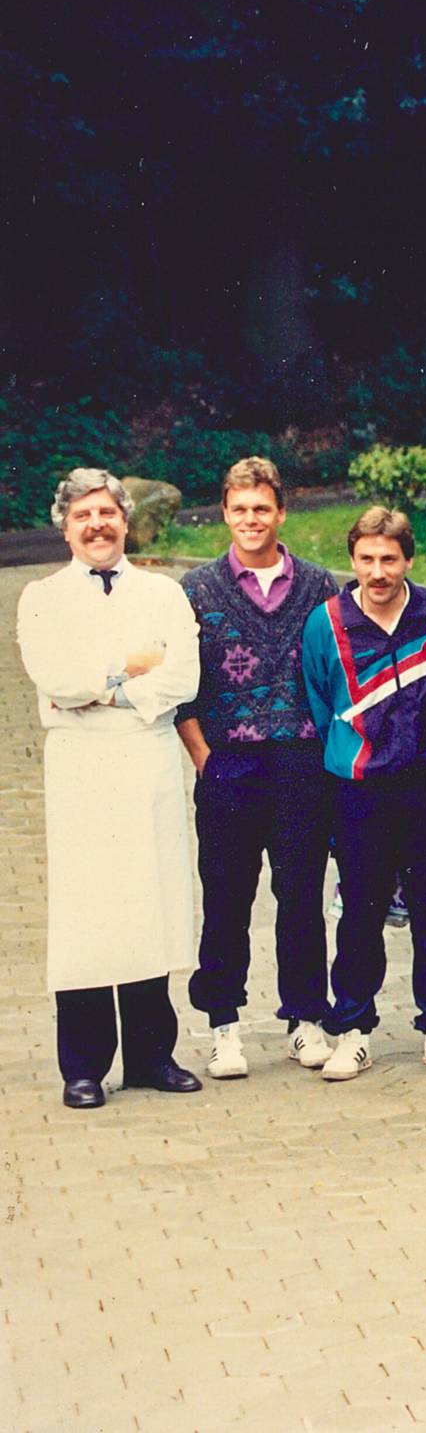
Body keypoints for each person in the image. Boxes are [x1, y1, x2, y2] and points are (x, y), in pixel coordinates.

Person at [19, 470, 204, 1109]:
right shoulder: (40, 598)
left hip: (146, 758)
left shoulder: (163, 592)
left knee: (148, 903)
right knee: (89, 913)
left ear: (125, 520)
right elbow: (54, 677)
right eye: (83, 515)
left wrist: (105, 687)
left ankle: (153, 1055)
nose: (97, 525)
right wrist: (125, 672)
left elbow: (181, 675)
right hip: (81, 765)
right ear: (65, 526)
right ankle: (84, 1066)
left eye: (107, 512)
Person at [176, 456, 341, 1080]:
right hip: (229, 765)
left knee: (301, 895)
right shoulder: (195, 590)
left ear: (281, 513)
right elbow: (180, 686)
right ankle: (223, 1026)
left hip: (302, 762)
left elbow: (339, 674)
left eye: (262, 509)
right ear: (224, 512)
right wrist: (202, 755)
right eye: (240, 509)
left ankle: (304, 1019)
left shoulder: (322, 586)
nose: (251, 520)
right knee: (225, 899)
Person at [299, 508, 426, 1081]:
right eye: (367, 559)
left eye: (389, 559)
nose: (377, 572)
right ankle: (352, 1029)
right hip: (359, 789)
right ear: (352, 560)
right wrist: (352, 757)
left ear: (408, 560)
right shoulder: (326, 621)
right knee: (359, 912)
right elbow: (323, 706)